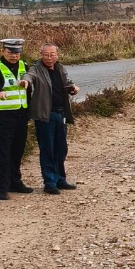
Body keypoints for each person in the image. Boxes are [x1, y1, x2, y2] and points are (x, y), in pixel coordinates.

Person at [22, 43, 80, 195]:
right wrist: (25, 82)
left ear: (57, 55)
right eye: (46, 54)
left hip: (61, 114)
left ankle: (60, 179)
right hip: (45, 115)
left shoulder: (60, 68)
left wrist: (73, 88)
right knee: (47, 148)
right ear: (41, 54)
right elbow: (29, 76)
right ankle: (50, 182)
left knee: (61, 148)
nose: (49, 57)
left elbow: (67, 83)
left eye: (52, 54)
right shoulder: (36, 68)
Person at [0, 38, 33, 201]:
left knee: (18, 151)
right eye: (11, 52)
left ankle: (15, 182)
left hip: (21, 114)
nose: (14, 56)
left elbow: (30, 86)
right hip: (4, 116)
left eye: (17, 53)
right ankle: (2, 187)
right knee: (4, 152)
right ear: (3, 52)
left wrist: (28, 84)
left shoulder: (24, 66)